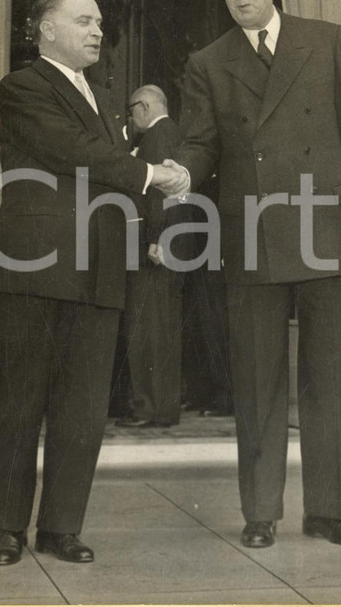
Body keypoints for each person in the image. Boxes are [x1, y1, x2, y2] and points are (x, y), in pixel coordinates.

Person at [166, 0, 341, 549]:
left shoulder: (327, 38)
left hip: (326, 226)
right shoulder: (208, 62)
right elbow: (202, 143)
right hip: (254, 233)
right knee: (258, 383)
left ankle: (329, 512)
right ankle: (260, 512)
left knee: (325, 380)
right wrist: (184, 170)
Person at [0, 0, 184, 566]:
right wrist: (150, 174)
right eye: (84, 21)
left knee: (84, 407)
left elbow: (103, 163)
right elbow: (70, 150)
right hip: (35, 269)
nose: (98, 31)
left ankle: (61, 527)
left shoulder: (99, 97)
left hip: (98, 271)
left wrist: (153, 170)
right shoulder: (21, 86)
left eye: (99, 22)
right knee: (21, 401)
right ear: (47, 28)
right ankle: (8, 529)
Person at [116, 85, 188, 428]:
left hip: (155, 249)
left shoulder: (156, 137)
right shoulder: (174, 133)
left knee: (145, 328)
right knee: (162, 327)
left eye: (131, 112)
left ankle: (148, 408)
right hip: (169, 245)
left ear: (143, 107)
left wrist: (157, 239)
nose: (131, 120)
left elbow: (164, 193)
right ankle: (161, 408)